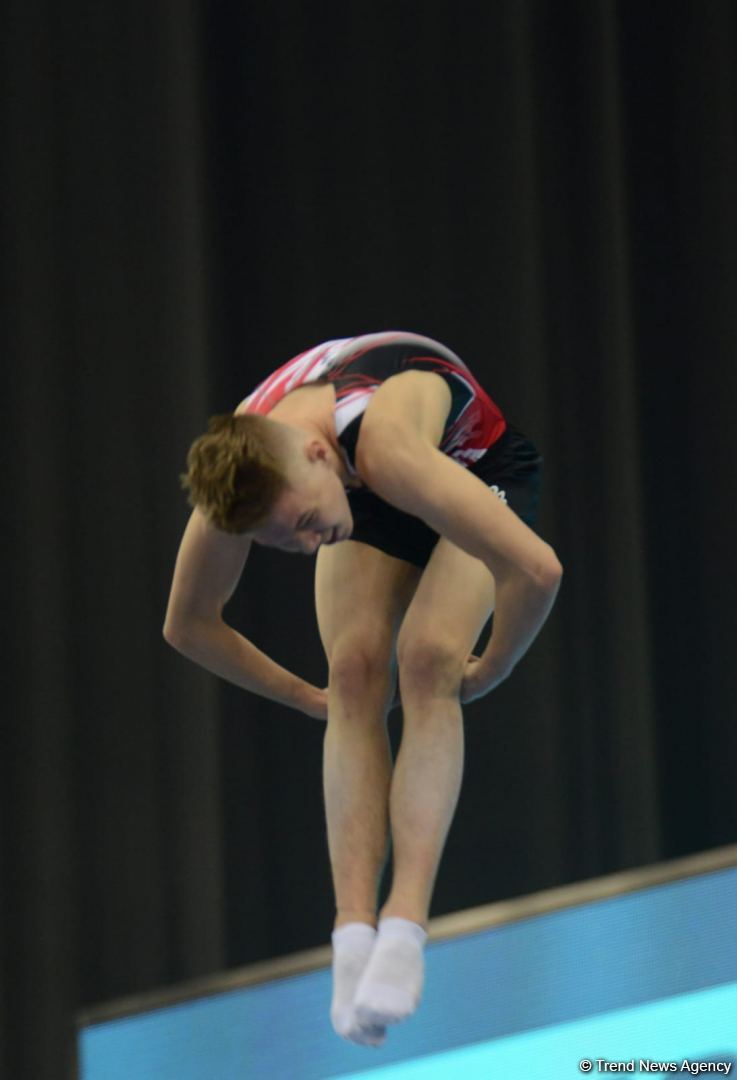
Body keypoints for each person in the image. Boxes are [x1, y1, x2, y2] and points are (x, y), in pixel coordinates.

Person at [163, 330, 562, 1047]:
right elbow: (189, 624)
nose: (308, 544)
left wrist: (494, 665)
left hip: (473, 466)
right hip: (368, 491)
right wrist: (306, 696)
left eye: (304, 525)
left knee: (429, 659)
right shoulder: (248, 465)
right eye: (283, 543)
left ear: (319, 455)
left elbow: (536, 570)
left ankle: (405, 927)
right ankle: (351, 938)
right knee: (351, 676)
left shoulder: (382, 445)